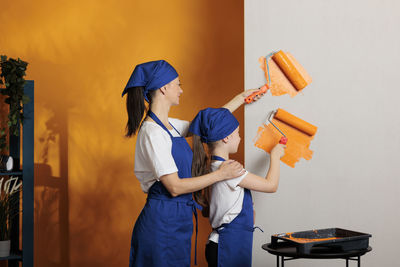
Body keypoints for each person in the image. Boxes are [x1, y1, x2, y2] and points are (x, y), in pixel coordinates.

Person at [123, 60, 262, 267]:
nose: (180, 90)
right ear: (163, 88)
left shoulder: (170, 126)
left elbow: (211, 124)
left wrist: (241, 99)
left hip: (180, 219)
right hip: (161, 222)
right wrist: (220, 175)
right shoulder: (152, 133)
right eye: (178, 84)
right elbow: (175, 187)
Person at [189, 107, 286, 267]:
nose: (240, 138)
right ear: (226, 138)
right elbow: (271, 185)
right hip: (227, 247)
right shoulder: (230, 170)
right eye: (238, 133)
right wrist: (274, 157)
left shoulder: (211, 167)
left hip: (222, 244)